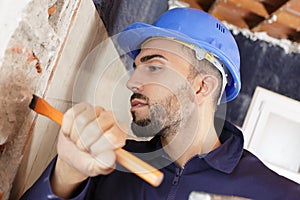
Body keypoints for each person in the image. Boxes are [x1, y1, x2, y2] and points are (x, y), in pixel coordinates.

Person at [21, 8, 300, 200]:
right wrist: (67, 173)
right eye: (136, 67)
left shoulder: (280, 194)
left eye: (154, 67)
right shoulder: (107, 163)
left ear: (203, 86)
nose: (132, 83)